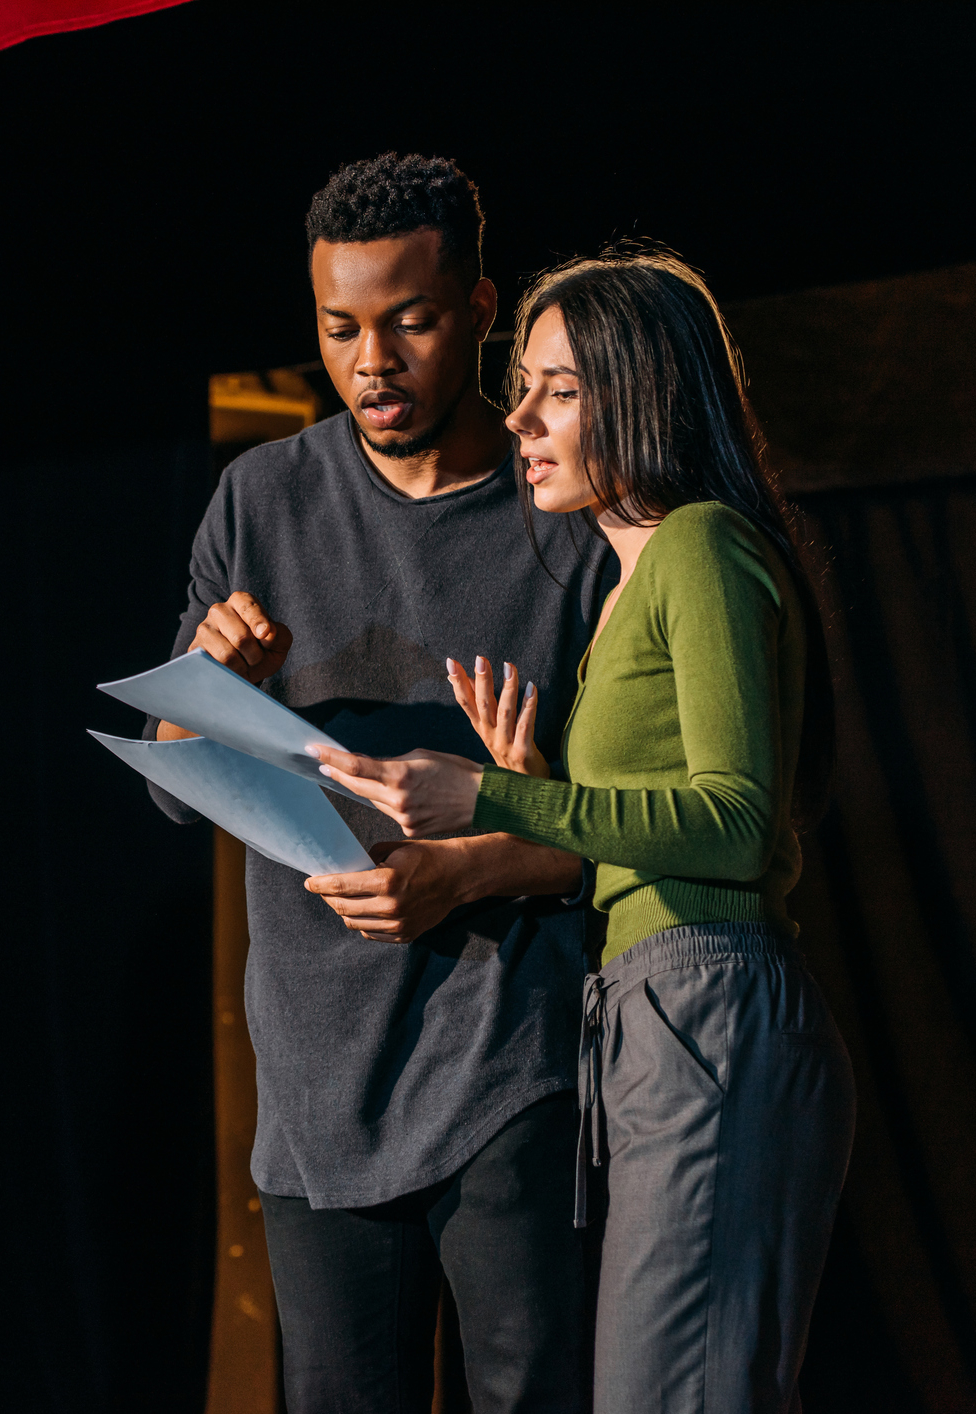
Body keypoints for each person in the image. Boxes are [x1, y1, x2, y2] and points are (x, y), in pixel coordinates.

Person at [312, 249, 856, 1413]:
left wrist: (495, 797)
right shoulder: (620, 593)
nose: (518, 418)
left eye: (558, 390)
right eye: (523, 387)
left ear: (646, 393)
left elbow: (734, 823)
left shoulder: (700, 544)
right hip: (653, 1014)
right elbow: (643, 822)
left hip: (710, 1003)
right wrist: (536, 786)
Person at [146, 154, 615, 1412]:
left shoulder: (564, 510)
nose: (372, 362)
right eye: (340, 328)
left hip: (511, 1059)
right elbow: (172, 785)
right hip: (315, 1080)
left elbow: (632, 823)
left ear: (479, 309)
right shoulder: (261, 498)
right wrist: (211, 688)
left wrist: (467, 869)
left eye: (408, 322)